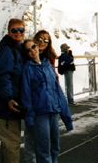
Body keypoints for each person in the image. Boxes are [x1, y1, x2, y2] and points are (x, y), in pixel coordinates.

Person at [21, 39, 73, 163]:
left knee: (55, 147)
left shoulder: (48, 66)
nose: (32, 51)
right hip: (40, 114)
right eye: (28, 50)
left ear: (37, 47)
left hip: (54, 111)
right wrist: (29, 118)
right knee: (43, 149)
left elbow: (58, 91)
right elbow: (26, 94)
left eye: (33, 47)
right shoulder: (27, 69)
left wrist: (67, 117)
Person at [0, 18, 26, 163]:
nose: (18, 33)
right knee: (12, 145)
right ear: (9, 32)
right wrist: (8, 98)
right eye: (14, 30)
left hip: (11, 104)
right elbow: (3, 76)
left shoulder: (18, 49)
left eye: (21, 30)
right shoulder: (7, 50)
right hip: (7, 106)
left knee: (8, 143)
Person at [24, 30, 59, 163]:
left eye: (46, 40)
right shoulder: (28, 59)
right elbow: (26, 86)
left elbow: (53, 79)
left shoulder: (49, 59)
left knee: (52, 141)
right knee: (32, 138)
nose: (42, 42)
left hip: (50, 104)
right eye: (39, 39)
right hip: (35, 106)